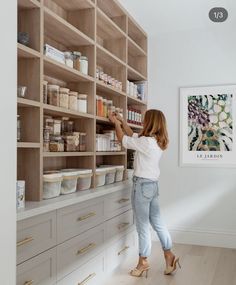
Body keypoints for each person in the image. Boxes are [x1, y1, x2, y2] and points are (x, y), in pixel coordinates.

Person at [108, 109, 181, 278]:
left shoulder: (146, 142)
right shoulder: (156, 141)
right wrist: (122, 121)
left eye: (145, 120)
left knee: (142, 227)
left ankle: (143, 262)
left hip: (142, 187)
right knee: (158, 223)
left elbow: (123, 139)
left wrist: (115, 123)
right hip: (153, 186)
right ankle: (169, 255)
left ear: (150, 122)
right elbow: (132, 135)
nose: (142, 122)